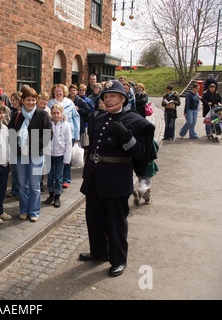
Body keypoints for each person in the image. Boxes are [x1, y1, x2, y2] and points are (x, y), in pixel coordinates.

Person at [79, 79, 155, 277]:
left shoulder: (134, 120)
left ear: (122, 98)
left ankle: (118, 259)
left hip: (116, 178)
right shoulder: (100, 117)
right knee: (93, 218)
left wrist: (125, 136)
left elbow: (139, 153)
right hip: (95, 176)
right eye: (106, 96)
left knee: (115, 222)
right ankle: (99, 251)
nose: (109, 99)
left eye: (113, 96)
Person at [8, 86, 52, 222]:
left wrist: (32, 146)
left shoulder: (42, 115)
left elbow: (48, 134)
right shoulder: (16, 116)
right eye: (28, 100)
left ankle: (34, 211)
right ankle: (23, 210)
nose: (31, 102)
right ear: (23, 100)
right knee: (22, 185)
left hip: (35, 154)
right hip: (20, 155)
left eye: (34, 100)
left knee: (34, 185)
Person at [47, 84, 80, 189]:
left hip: (69, 132)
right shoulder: (50, 103)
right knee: (56, 159)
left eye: (60, 91)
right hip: (55, 133)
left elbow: (75, 118)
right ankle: (54, 180)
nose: (58, 93)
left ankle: (66, 179)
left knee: (66, 156)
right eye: (56, 91)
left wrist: (77, 134)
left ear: (64, 92)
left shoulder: (70, 103)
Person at [44, 104, 72, 208]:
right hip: (49, 154)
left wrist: (67, 158)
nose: (55, 115)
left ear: (61, 113)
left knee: (58, 176)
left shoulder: (66, 125)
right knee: (50, 176)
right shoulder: (48, 124)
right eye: (54, 113)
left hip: (60, 154)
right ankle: (51, 195)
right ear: (51, 113)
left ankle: (57, 196)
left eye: (58, 113)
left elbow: (68, 142)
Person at [133, 140, 159, 206]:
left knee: (141, 180)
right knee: (146, 181)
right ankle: (139, 192)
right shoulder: (150, 140)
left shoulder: (137, 138)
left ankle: (146, 198)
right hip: (148, 164)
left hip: (139, 164)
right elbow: (156, 149)